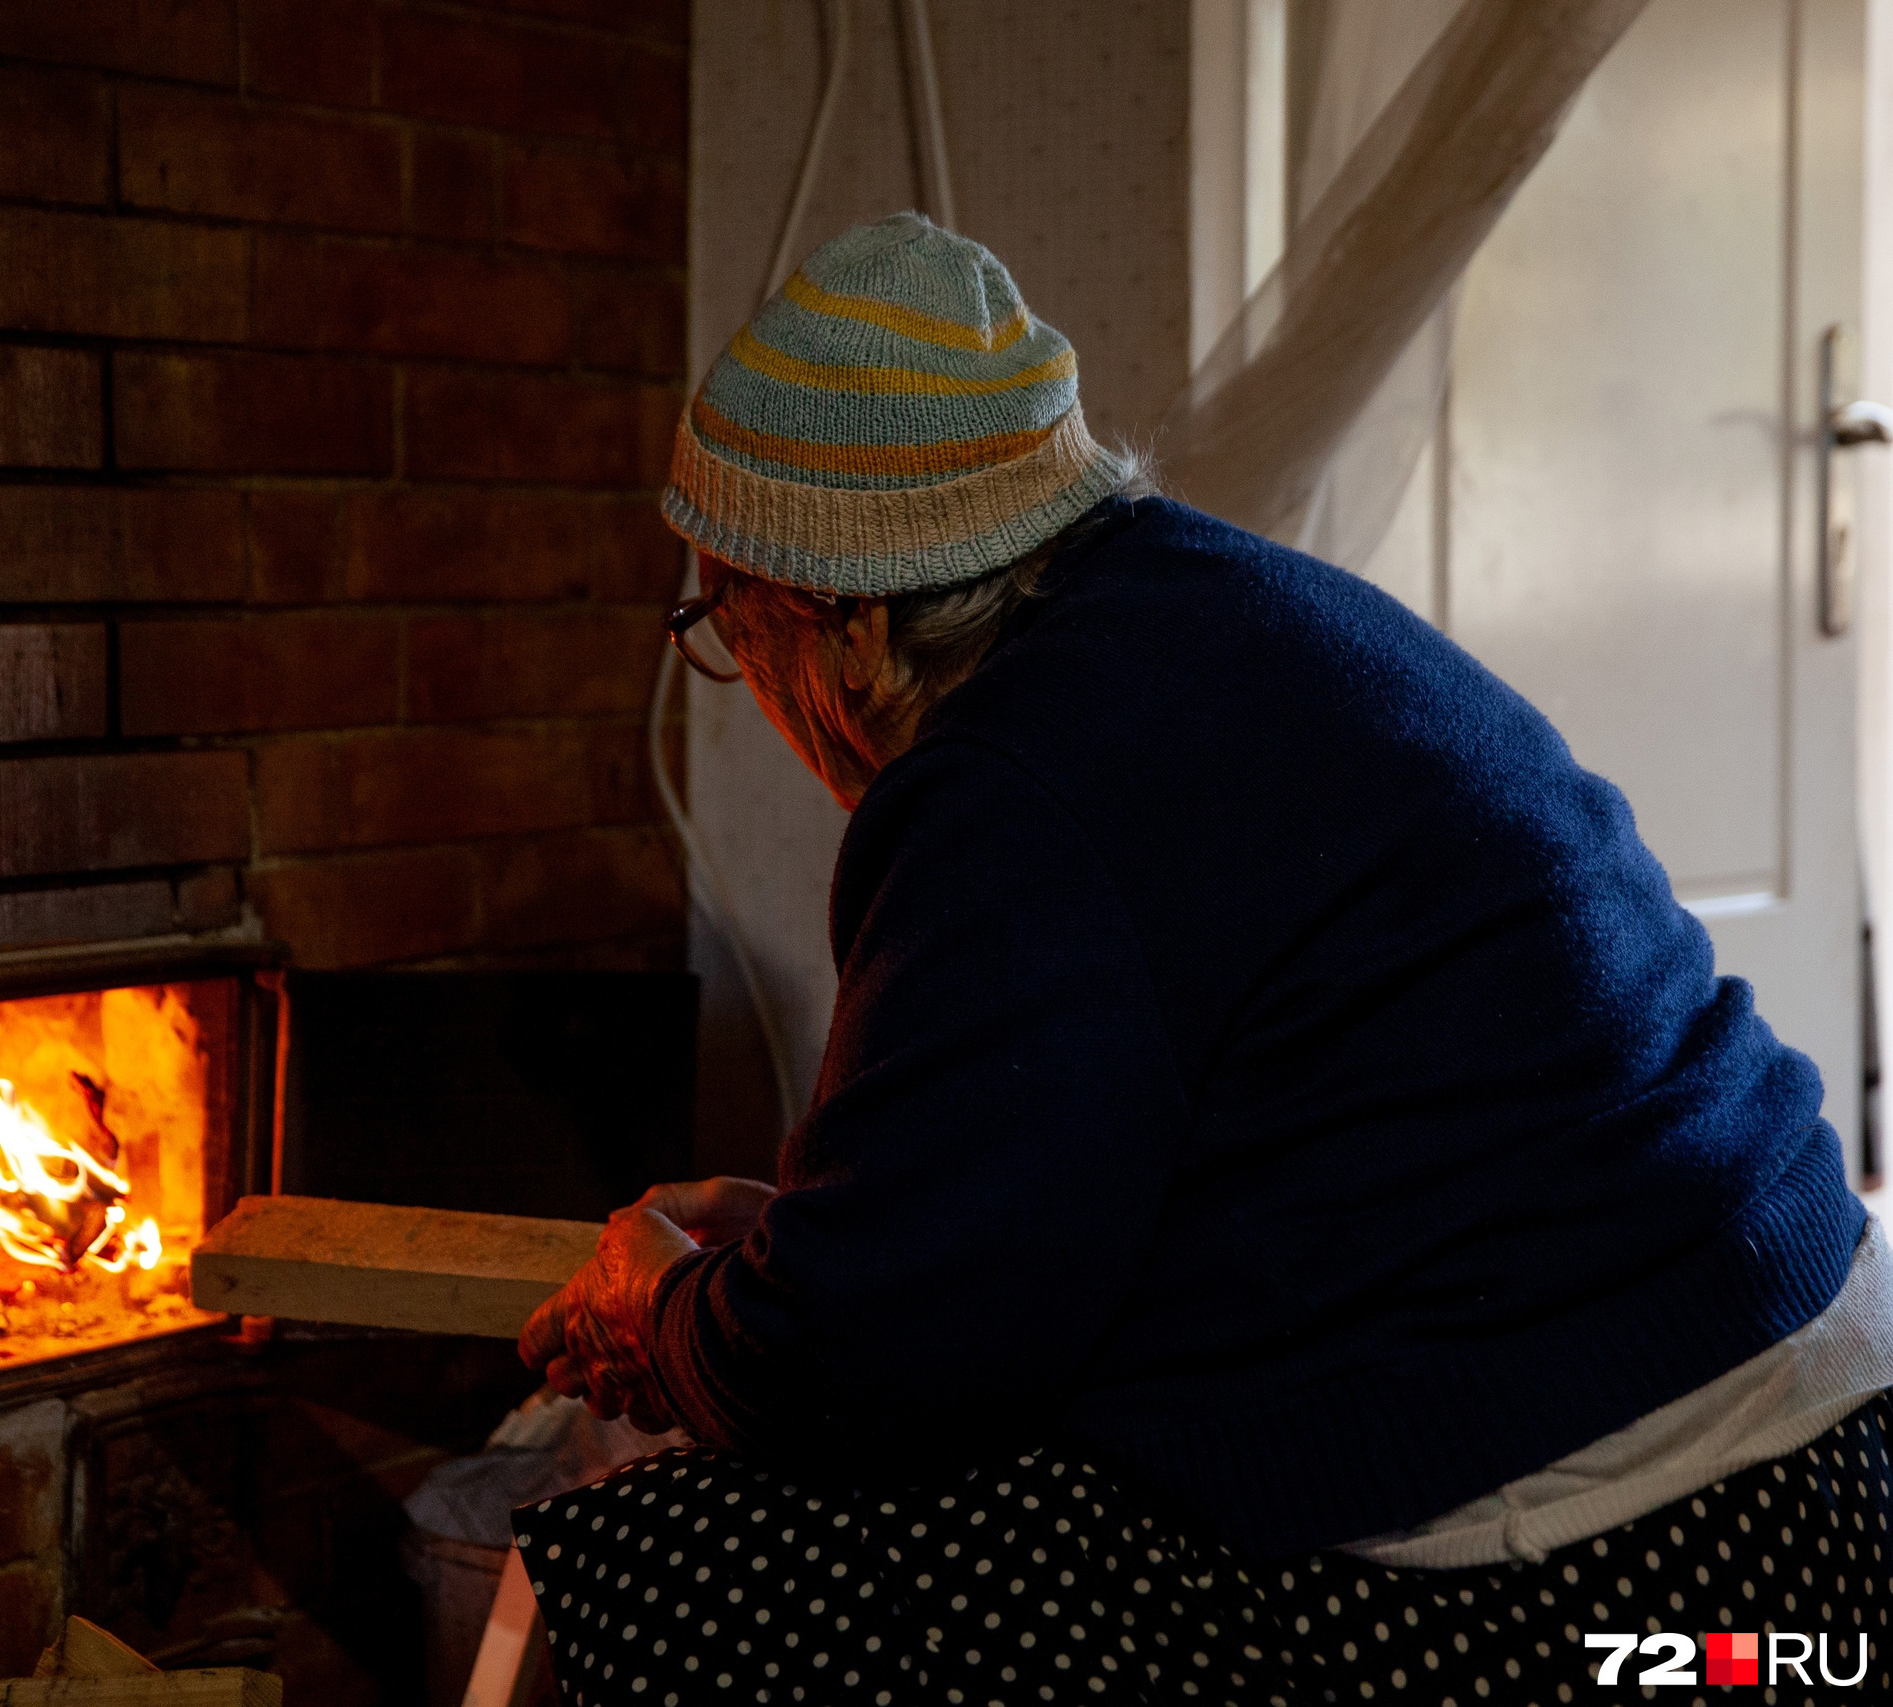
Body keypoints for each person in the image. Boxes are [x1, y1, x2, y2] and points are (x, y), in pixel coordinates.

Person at [511, 213, 1893, 1706]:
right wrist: (818, 1237)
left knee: (681, 1577)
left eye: (728, 619)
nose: (750, 682)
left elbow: (875, 1377)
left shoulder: (1010, 788)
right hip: (1806, 1417)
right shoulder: (1206, 612)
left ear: (848, 628)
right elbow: (1069, 1189)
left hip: (1665, 1577)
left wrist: (671, 1307)